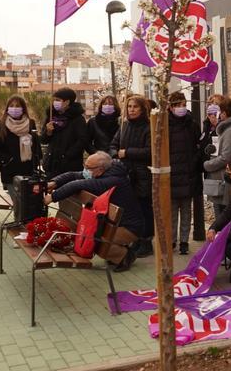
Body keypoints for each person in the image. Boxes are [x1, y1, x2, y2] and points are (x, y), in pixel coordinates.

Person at [45, 152, 145, 272]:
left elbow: (76, 184)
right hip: (115, 223)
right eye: (85, 165)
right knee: (91, 239)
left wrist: (52, 197)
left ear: (100, 169)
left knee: (94, 242)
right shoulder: (102, 173)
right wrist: (54, 182)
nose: (85, 170)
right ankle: (117, 253)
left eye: (88, 168)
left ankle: (124, 256)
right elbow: (73, 175)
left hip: (129, 228)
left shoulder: (112, 180)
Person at [109, 95, 153, 257]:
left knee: (144, 208)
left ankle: (146, 241)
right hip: (125, 173)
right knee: (131, 209)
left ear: (142, 109)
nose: (132, 110)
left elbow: (150, 151)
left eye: (135, 107)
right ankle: (134, 239)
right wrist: (115, 154)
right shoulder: (124, 126)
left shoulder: (149, 127)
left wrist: (127, 152)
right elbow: (113, 145)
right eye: (129, 107)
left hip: (142, 174)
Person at [167, 91, 204, 253]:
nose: (181, 108)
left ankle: (184, 241)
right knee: (172, 211)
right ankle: (172, 240)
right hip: (171, 174)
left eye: (183, 105)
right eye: (177, 105)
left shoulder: (192, 124)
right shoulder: (165, 124)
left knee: (186, 210)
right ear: (170, 107)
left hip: (188, 174)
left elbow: (198, 146)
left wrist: (194, 163)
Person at [0, 96, 42, 204]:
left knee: (29, 203)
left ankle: (27, 221)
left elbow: (36, 146)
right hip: (10, 172)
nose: (14, 108)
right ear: (7, 108)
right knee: (18, 204)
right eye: (11, 106)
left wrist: (36, 163)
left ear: (23, 108)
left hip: (29, 171)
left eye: (18, 106)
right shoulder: (0, 125)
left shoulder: (31, 123)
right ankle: (20, 221)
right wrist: (8, 159)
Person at [203, 98, 231, 218]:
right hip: (220, 179)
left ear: (225, 113)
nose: (219, 114)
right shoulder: (226, 129)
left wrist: (207, 165)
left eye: (220, 111)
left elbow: (226, 157)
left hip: (224, 180)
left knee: (223, 217)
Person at [41, 88, 88, 180]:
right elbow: (43, 140)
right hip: (52, 164)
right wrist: (48, 132)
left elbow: (82, 140)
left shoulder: (78, 119)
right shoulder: (51, 116)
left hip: (70, 165)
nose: (55, 102)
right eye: (54, 100)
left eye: (58, 100)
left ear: (67, 102)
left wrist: (67, 155)